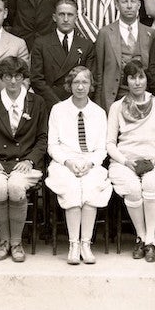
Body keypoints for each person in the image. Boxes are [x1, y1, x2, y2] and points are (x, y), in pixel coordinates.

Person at [0, 57, 48, 262]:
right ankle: (4, 241)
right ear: (2, 78)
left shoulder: (37, 103)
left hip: (25, 162)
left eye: (18, 76)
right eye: (8, 76)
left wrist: (30, 160)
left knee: (16, 187)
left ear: (24, 77)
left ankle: (16, 243)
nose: (13, 81)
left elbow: (43, 138)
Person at [106, 60, 155, 262]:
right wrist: (125, 161)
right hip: (124, 161)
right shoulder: (117, 107)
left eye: (141, 77)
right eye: (132, 78)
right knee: (133, 188)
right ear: (126, 81)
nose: (137, 82)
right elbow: (109, 143)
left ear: (146, 79)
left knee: (151, 184)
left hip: (153, 159)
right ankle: (141, 237)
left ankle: (150, 239)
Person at [45, 66, 113, 265]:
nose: (80, 87)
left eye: (85, 82)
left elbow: (102, 148)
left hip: (90, 161)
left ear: (91, 86)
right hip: (64, 161)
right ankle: (73, 244)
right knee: (73, 189)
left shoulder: (99, 113)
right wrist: (68, 162)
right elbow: (52, 145)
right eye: (76, 82)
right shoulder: (58, 110)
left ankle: (86, 243)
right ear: (69, 85)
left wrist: (90, 163)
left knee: (91, 188)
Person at [94, 0, 155, 111]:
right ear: (117, 5)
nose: (129, 6)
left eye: (133, 1)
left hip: (143, 97)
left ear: (139, 5)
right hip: (114, 97)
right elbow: (99, 72)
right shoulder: (105, 33)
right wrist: (99, 103)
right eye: (124, 2)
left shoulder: (150, 33)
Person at [29, 0, 96, 109]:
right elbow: (36, 79)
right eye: (61, 14)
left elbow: (91, 79)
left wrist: (74, 102)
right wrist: (57, 104)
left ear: (76, 18)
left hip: (78, 104)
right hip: (49, 105)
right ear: (54, 17)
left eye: (70, 15)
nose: (65, 19)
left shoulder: (87, 46)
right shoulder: (41, 43)